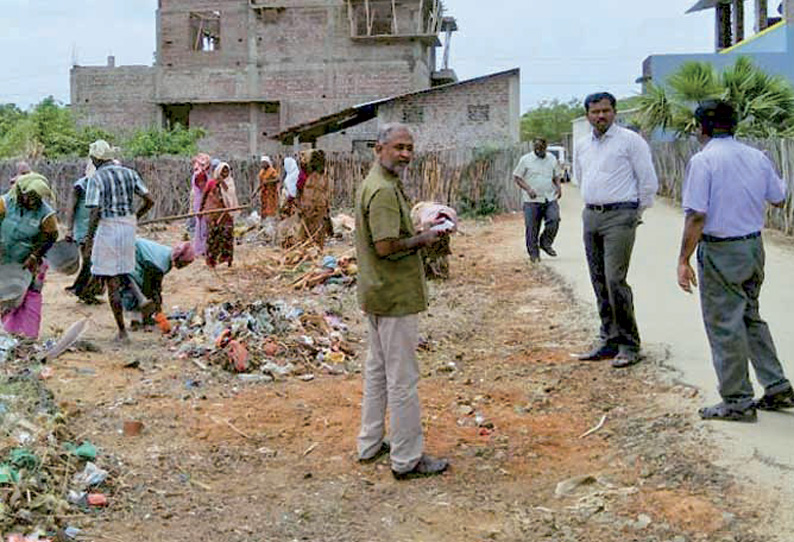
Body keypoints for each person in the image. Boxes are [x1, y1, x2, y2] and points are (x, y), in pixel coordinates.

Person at [677, 100, 794, 422]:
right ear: (735, 125)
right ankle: (776, 384)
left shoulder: (704, 161)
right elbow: (780, 199)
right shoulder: (757, 157)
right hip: (753, 246)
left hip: (721, 249)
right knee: (749, 316)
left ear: (701, 127)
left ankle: (737, 400)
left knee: (724, 324)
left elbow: (697, 215)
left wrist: (683, 259)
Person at [355, 122, 450, 480]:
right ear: (379, 148)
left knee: (378, 373)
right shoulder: (381, 190)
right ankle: (407, 458)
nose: (406, 154)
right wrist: (424, 239)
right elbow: (385, 247)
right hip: (394, 295)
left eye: (409, 148)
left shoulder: (378, 183)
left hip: (378, 292)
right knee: (402, 380)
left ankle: (369, 444)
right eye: (398, 147)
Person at [574, 92, 659, 368]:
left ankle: (629, 344)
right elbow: (579, 177)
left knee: (615, 280)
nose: (601, 116)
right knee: (598, 280)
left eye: (606, 111)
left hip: (620, 216)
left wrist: (636, 214)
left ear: (615, 112)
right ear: (587, 114)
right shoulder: (582, 144)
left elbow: (647, 181)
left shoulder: (630, 141)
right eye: (595, 111)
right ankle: (608, 339)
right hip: (592, 215)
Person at [84, 140, 154, 343]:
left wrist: (89, 239)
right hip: (127, 226)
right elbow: (150, 200)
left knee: (111, 279)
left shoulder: (96, 178)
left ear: (96, 159)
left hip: (108, 227)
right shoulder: (129, 173)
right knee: (123, 269)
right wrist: (135, 217)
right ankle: (141, 298)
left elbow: (95, 210)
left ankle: (122, 331)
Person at [0, 173, 58, 339]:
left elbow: (51, 236)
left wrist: (35, 255)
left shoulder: (46, 214)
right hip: (5, 258)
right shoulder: (4, 204)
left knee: (30, 294)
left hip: (29, 262)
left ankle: (27, 336)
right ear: (20, 193)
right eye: (30, 197)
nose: (34, 201)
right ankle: (6, 333)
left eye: (38, 198)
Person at [121, 239, 195, 324]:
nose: (184, 266)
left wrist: (157, 305)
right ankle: (136, 320)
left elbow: (155, 285)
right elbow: (151, 287)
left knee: (142, 289)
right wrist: (157, 308)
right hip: (128, 251)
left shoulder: (167, 256)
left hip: (137, 253)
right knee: (133, 285)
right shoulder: (159, 264)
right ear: (179, 259)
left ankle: (140, 318)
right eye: (185, 263)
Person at [513, 137, 562, 262]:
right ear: (534, 147)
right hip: (532, 200)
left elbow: (556, 175)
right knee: (532, 228)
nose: (539, 150)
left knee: (554, 219)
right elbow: (517, 177)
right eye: (537, 148)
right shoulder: (525, 160)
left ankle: (545, 243)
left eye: (542, 148)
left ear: (546, 147)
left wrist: (559, 187)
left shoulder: (551, 158)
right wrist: (528, 189)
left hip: (549, 197)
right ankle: (534, 254)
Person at [65, 162, 103, 304]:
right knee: (90, 260)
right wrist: (69, 229)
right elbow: (71, 207)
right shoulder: (80, 185)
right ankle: (82, 290)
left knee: (94, 261)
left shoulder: (102, 185)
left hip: (98, 229)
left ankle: (83, 288)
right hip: (83, 228)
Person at [200, 162, 235, 267]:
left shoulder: (230, 183)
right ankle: (211, 261)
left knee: (226, 236)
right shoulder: (211, 183)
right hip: (213, 215)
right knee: (213, 238)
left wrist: (223, 184)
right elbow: (205, 196)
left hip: (226, 215)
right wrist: (201, 210)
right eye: (223, 171)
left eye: (226, 171)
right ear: (218, 171)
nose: (225, 173)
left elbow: (231, 197)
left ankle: (226, 260)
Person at [298, 149, 332, 249]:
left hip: (313, 206)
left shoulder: (313, 176)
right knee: (314, 230)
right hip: (314, 206)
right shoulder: (319, 175)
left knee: (313, 230)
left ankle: (312, 250)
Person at [191, 153, 212, 256]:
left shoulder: (199, 174)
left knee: (201, 225)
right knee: (202, 226)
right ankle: (201, 248)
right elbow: (204, 190)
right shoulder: (200, 175)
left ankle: (201, 247)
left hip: (200, 201)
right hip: (201, 202)